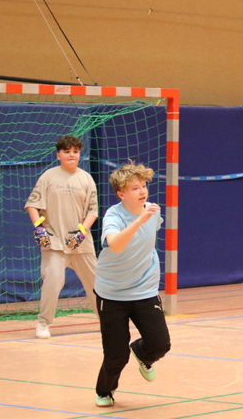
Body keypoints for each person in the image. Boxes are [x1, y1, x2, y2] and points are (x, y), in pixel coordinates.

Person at [93, 161, 171, 408]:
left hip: (145, 289)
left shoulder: (153, 211)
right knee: (116, 354)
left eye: (144, 186)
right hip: (112, 293)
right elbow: (115, 244)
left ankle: (142, 353)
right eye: (135, 188)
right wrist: (140, 220)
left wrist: (146, 216)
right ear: (121, 194)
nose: (142, 191)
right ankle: (105, 391)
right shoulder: (114, 215)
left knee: (160, 344)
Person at [24, 135, 99, 339]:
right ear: (58, 155)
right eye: (67, 152)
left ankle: (107, 320)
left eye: (75, 151)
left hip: (81, 243)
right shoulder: (48, 177)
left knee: (96, 283)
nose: (71, 155)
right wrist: (39, 228)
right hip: (55, 241)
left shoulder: (86, 179)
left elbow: (92, 211)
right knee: (53, 282)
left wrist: (82, 232)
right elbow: (32, 205)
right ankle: (43, 323)